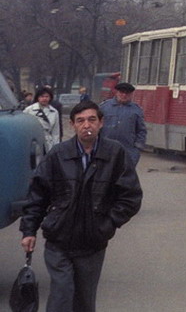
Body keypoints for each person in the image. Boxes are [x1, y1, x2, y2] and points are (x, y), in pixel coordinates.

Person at [18, 100, 143, 312]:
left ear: (101, 123)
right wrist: (29, 231)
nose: (87, 125)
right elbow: (38, 195)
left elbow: (131, 196)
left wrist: (108, 223)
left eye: (92, 120)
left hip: (92, 242)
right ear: (72, 125)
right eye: (81, 121)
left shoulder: (115, 154)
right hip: (59, 239)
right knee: (62, 293)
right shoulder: (58, 154)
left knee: (85, 300)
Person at [99, 83, 147, 167]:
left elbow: (141, 130)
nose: (124, 95)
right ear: (116, 92)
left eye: (127, 93)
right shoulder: (104, 107)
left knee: (124, 177)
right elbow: (96, 127)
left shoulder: (136, 110)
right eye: (122, 92)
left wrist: (137, 149)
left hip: (128, 151)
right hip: (105, 149)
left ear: (131, 95)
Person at [24, 87, 61, 152]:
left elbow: (55, 132)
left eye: (47, 96)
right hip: (33, 141)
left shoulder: (54, 112)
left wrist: (56, 147)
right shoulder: (29, 110)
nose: (44, 98)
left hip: (48, 142)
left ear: (50, 98)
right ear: (38, 97)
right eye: (42, 96)